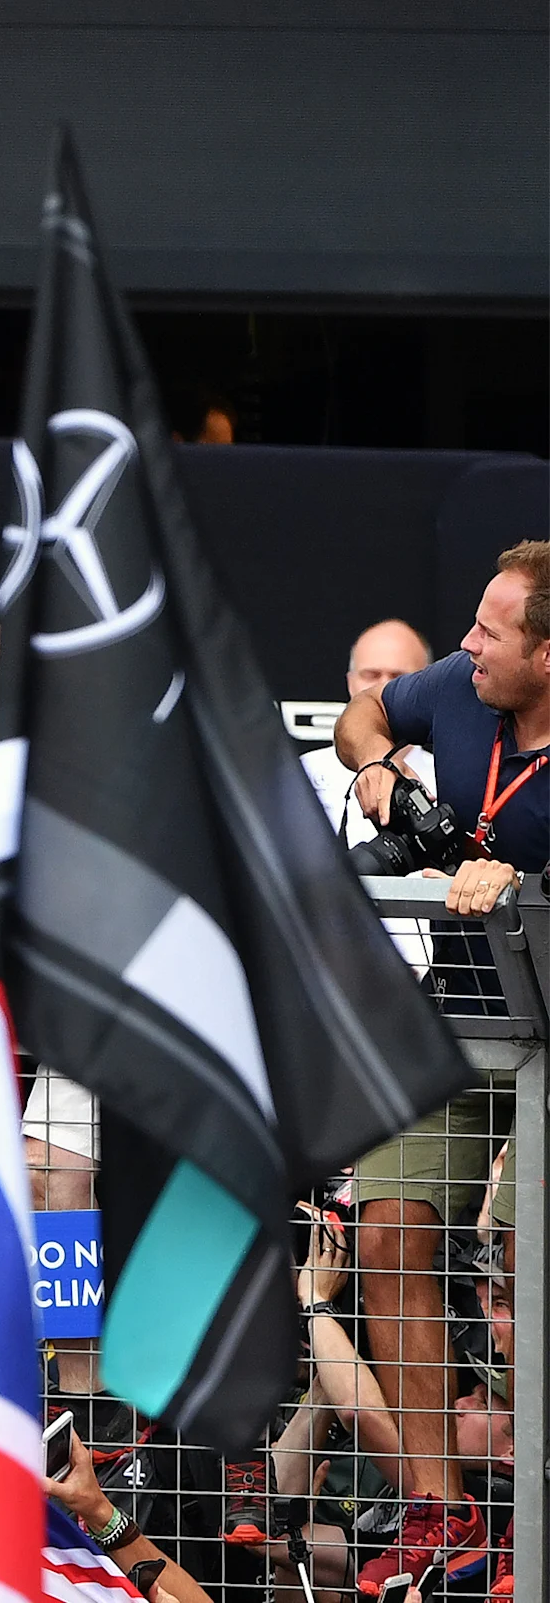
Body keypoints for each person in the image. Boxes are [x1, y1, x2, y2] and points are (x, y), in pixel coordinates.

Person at [322, 539, 547, 1593]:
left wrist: (524, 883)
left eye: (489, 632)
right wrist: (374, 765)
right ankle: (437, 1510)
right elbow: (354, 718)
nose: (464, 646)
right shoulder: (456, 690)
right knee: (385, 1232)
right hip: (462, 1022)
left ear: (546, 657)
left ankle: (529, 1512)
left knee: (520, 1269)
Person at [302, 619, 437, 965]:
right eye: (371, 675)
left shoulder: (451, 777)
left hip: (432, 985)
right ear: (350, 682)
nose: (384, 690)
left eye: (399, 677)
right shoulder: (298, 776)